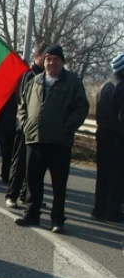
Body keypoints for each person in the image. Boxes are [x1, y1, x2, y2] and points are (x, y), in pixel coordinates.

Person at [15, 45, 89, 233]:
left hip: (59, 141)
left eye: (56, 59)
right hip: (35, 139)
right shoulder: (35, 81)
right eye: (48, 59)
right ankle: (31, 214)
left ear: (62, 62)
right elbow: (22, 106)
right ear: (44, 61)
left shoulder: (72, 83)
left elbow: (81, 108)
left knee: (58, 183)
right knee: (33, 180)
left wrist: (68, 126)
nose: (51, 62)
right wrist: (25, 124)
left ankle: (57, 220)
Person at [5, 43, 47, 208]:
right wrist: (25, 122)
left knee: (34, 165)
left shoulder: (46, 77)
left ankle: (26, 194)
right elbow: (23, 101)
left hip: (39, 129)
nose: (47, 61)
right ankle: (11, 194)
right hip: (25, 126)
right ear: (38, 56)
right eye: (45, 57)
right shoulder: (29, 75)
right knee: (20, 161)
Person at [91, 54, 124, 222]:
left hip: (102, 132)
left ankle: (99, 208)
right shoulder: (121, 86)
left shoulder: (105, 85)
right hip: (116, 136)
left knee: (103, 173)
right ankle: (113, 211)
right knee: (117, 175)